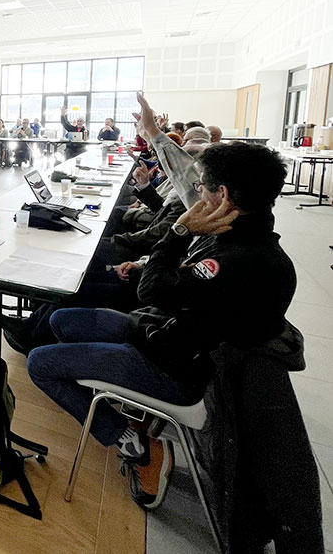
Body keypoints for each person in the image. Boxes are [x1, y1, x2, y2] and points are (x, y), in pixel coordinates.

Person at [27, 92, 297, 515]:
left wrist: (178, 232)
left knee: (39, 363)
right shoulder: (245, 234)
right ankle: (125, 402)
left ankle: (133, 443)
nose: (195, 192)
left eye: (202, 187)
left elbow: (150, 291)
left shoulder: (232, 261)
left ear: (222, 195)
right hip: (167, 337)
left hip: (174, 368)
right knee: (62, 319)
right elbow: (168, 283)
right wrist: (153, 133)